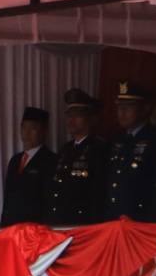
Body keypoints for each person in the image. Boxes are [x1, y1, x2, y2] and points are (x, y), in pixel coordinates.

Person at [104, 81, 156, 221]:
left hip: (141, 217)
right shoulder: (118, 139)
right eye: (120, 107)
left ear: (144, 108)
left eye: (128, 107)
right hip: (115, 215)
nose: (122, 112)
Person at [47, 89, 109, 226]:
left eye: (77, 115)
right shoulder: (66, 149)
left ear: (90, 118)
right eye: (69, 115)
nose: (71, 120)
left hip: (83, 222)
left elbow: (98, 192)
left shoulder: (99, 149)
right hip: (61, 220)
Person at [0, 107, 54, 227]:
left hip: (34, 227)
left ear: (44, 131)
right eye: (24, 127)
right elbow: (8, 200)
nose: (27, 133)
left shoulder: (51, 160)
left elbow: (49, 201)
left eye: (33, 128)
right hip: (12, 228)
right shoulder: (15, 160)